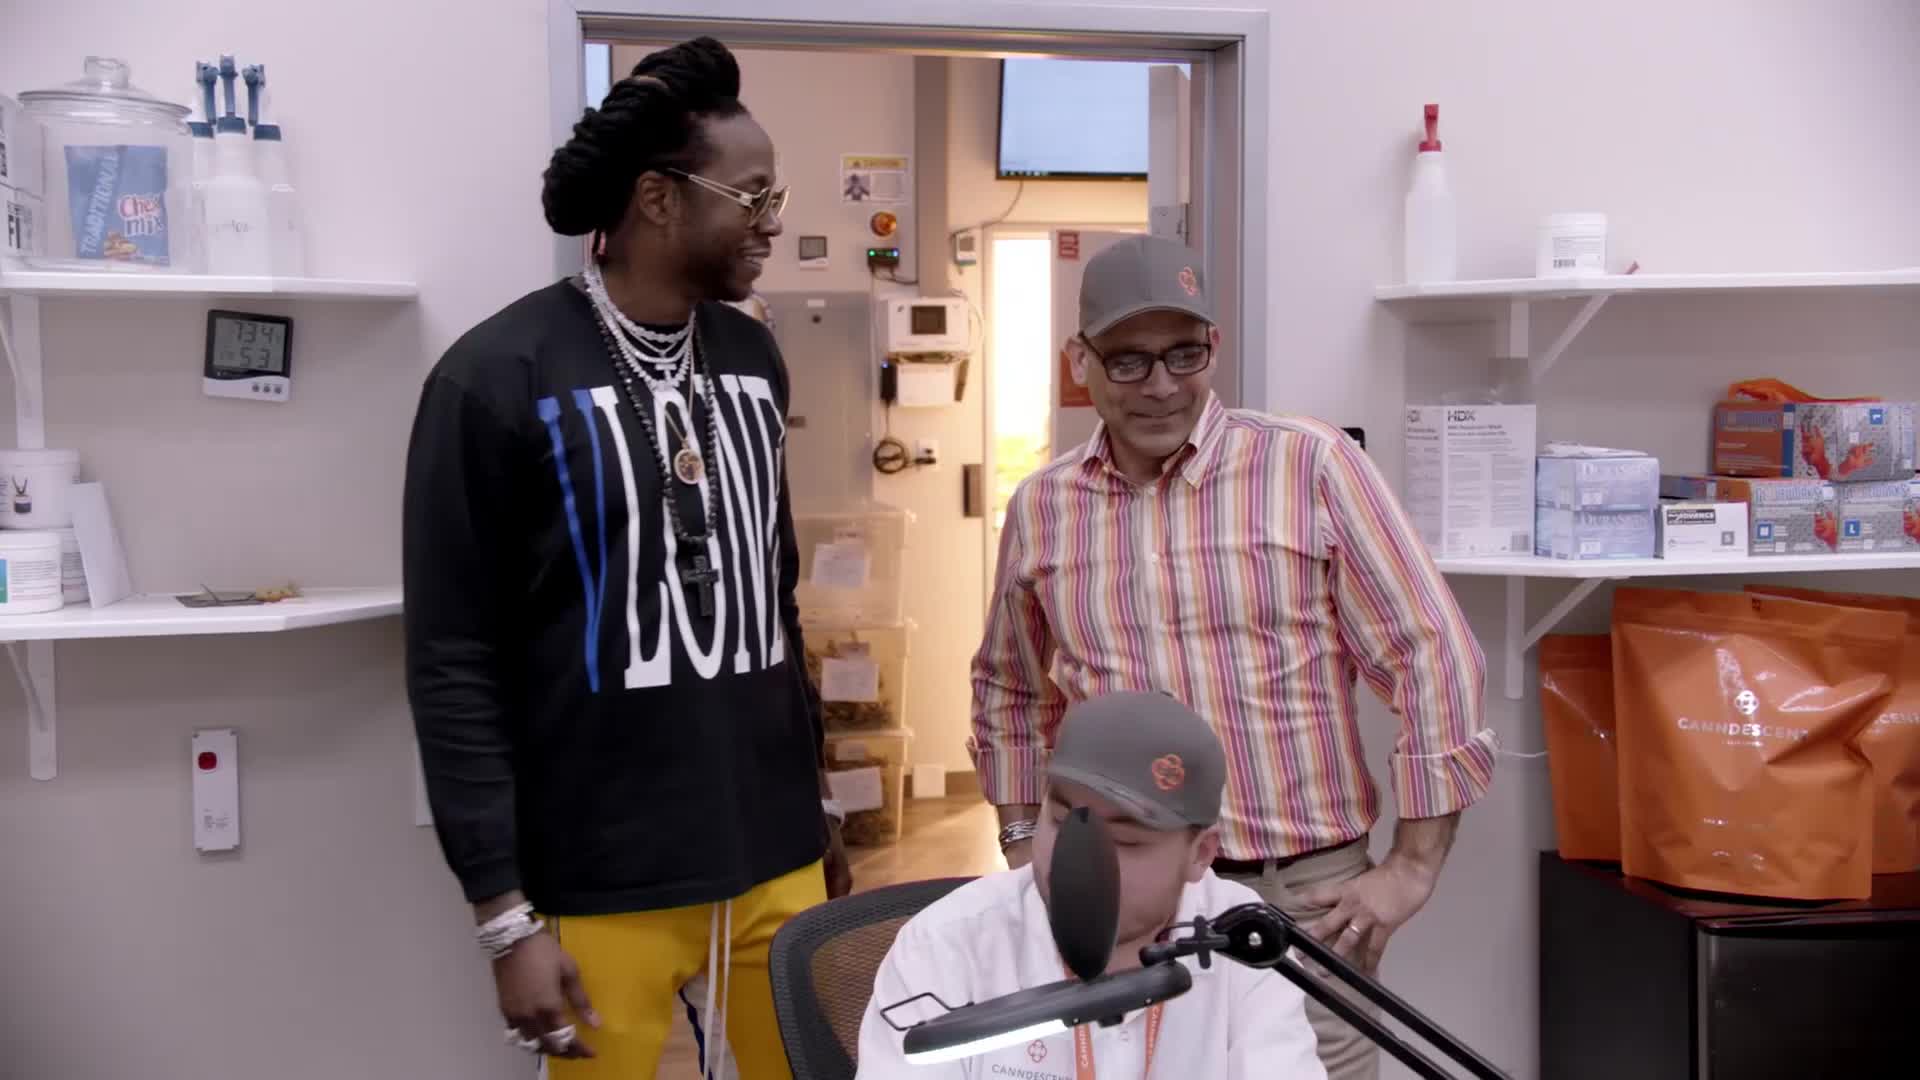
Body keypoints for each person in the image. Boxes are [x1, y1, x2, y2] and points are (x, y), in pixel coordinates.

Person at [403, 37, 848, 1080]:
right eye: (752, 194)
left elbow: (771, 599)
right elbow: (452, 659)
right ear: (658, 199)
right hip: (604, 878)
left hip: (777, 859)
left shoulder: (750, 355)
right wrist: (504, 919)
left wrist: (817, 797)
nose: (773, 217)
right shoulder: (494, 378)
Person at [969, 234, 1491, 1080]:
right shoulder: (1044, 505)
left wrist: (1411, 866)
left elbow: (1434, 656)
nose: (1163, 385)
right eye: (1130, 361)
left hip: (1302, 896)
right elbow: (1009, 688)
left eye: (1185, 352)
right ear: (1082, 361)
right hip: (1122, 885)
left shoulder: (1310, 466)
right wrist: (1025, 833)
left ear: (1215, 347)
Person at [856, 692, 1326, 1079]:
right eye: (1064, 822)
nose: (1082, 864)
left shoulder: (1244, 945)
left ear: (1200, 853)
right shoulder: (946, 945)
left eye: (1124, 841)